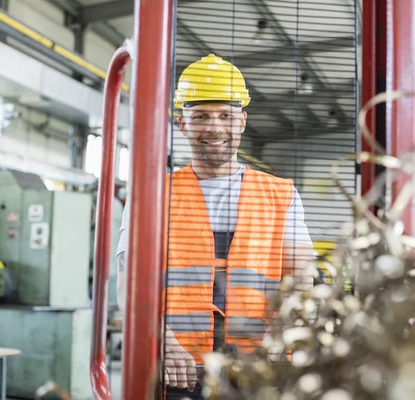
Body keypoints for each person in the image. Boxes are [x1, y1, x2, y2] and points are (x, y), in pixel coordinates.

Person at [115, 54, 314, 399]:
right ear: (182, 123)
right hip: (175, 369)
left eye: (226, 115)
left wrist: (278, 341)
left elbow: (301, 280)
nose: (214, 127)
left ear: (243, 122)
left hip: (258, 370)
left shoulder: (281, 194)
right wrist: (162, 343)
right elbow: (127, 282)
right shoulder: (151, 194)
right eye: (201, 116)